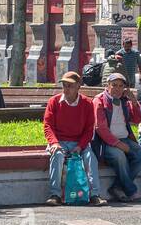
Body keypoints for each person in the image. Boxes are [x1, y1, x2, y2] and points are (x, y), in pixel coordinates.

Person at [42, 71, 105, 206]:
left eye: (70, 86)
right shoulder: (54, 102)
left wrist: (80, 146)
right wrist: (54, 143)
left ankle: (95, 194)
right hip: (59, 141)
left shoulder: (87, 103)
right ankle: (55, 194)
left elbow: (89, 129)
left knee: (90, 157)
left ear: (78, 86)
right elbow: (48, 126)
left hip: (79, 142)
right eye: (64, 85)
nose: (66, 89)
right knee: (57, 156)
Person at [94, 72, 141, 202]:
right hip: (105, 142)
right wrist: (118, 144)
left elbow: (137, 119)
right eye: (114, 85)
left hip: (125, 139)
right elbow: (100, 128)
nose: (117, 88)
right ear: (107, 86)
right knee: (119, 156)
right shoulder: (99, 100)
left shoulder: (124, 101)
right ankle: (130, 190)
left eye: (120, 86)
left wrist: (134, 101)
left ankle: (117, 187)